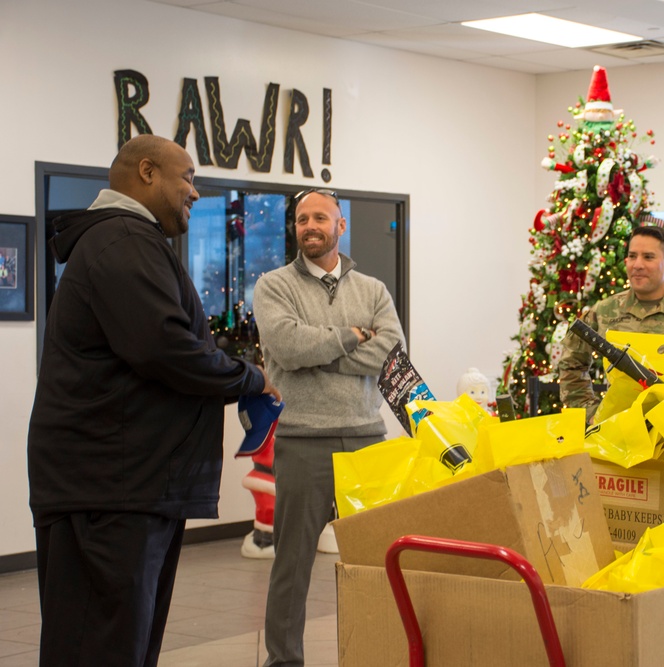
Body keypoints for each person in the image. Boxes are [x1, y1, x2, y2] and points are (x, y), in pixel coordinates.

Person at [27, 134, 279, 667]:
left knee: (122, 644)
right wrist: (251, 378)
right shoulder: (122, 242)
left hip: (127, 488)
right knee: (100, 647)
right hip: (110, 491)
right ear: (147, 172)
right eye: (187, 177)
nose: (195, 191)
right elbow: (166, 349)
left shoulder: (127, 241)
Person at [254, 189, 404, 667]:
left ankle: (376, 654)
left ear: (341, 225)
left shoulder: (373, 290)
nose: (310, 225)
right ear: (295, 228)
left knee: (379, 564)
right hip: (302, 442)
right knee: (291, 568)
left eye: (321, 217)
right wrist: (352, 338)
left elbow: (390, 353)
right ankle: (283, 662)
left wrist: (323, 351)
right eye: (302, 219)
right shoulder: (274, 286)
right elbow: (288, 347)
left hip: (366, 439)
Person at [558, 222, 664, 421]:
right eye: (632, 256)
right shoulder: (604, 311)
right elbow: (571, 363)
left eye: (648, 257)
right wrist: (591, 413)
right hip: (619, 433)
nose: (637, 264)